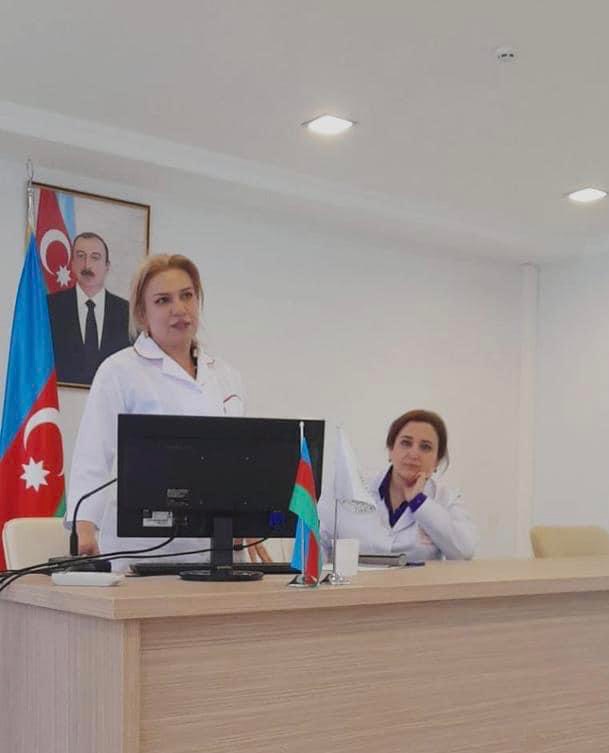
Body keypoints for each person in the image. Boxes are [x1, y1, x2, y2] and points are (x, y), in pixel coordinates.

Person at [66, 253, 256, 569]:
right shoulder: (119, 371)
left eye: (187, 296)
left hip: (218, 548)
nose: (179, 309)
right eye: (163, 300)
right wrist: (84, 527)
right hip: (143, 550)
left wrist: (248, 521)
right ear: (142, 313)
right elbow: (93, 455)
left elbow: (241, 461)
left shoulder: (227, 375)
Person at [320, 409, 477, 561]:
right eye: (406, 443)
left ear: (437, 461)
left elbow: (464, 552)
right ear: (391, 450)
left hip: (417, 580)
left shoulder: (445, 499)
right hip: (356, 579)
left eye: (425, 447)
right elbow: (318, 541)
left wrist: (418, 502)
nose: (413, 454)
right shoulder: (348, 488)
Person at [47, 232, 130, 385]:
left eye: (95, 257)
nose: (87, 265)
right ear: (72, 263)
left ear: (107, 266)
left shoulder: (127, 312)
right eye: (80, 256)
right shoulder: (49, 307)